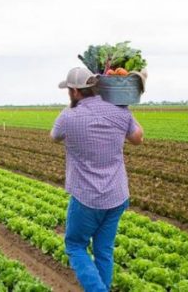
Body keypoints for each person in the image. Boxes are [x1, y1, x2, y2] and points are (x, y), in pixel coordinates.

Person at [50, 67, 144, 292]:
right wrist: (122, 104)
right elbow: (138, 138)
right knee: (104, 250)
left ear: (74, 92)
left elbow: (54, 137)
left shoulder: (68, 117)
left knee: (75, 245)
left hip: (86, 198)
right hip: (116, 195)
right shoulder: (119, 110)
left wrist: (72, 109)